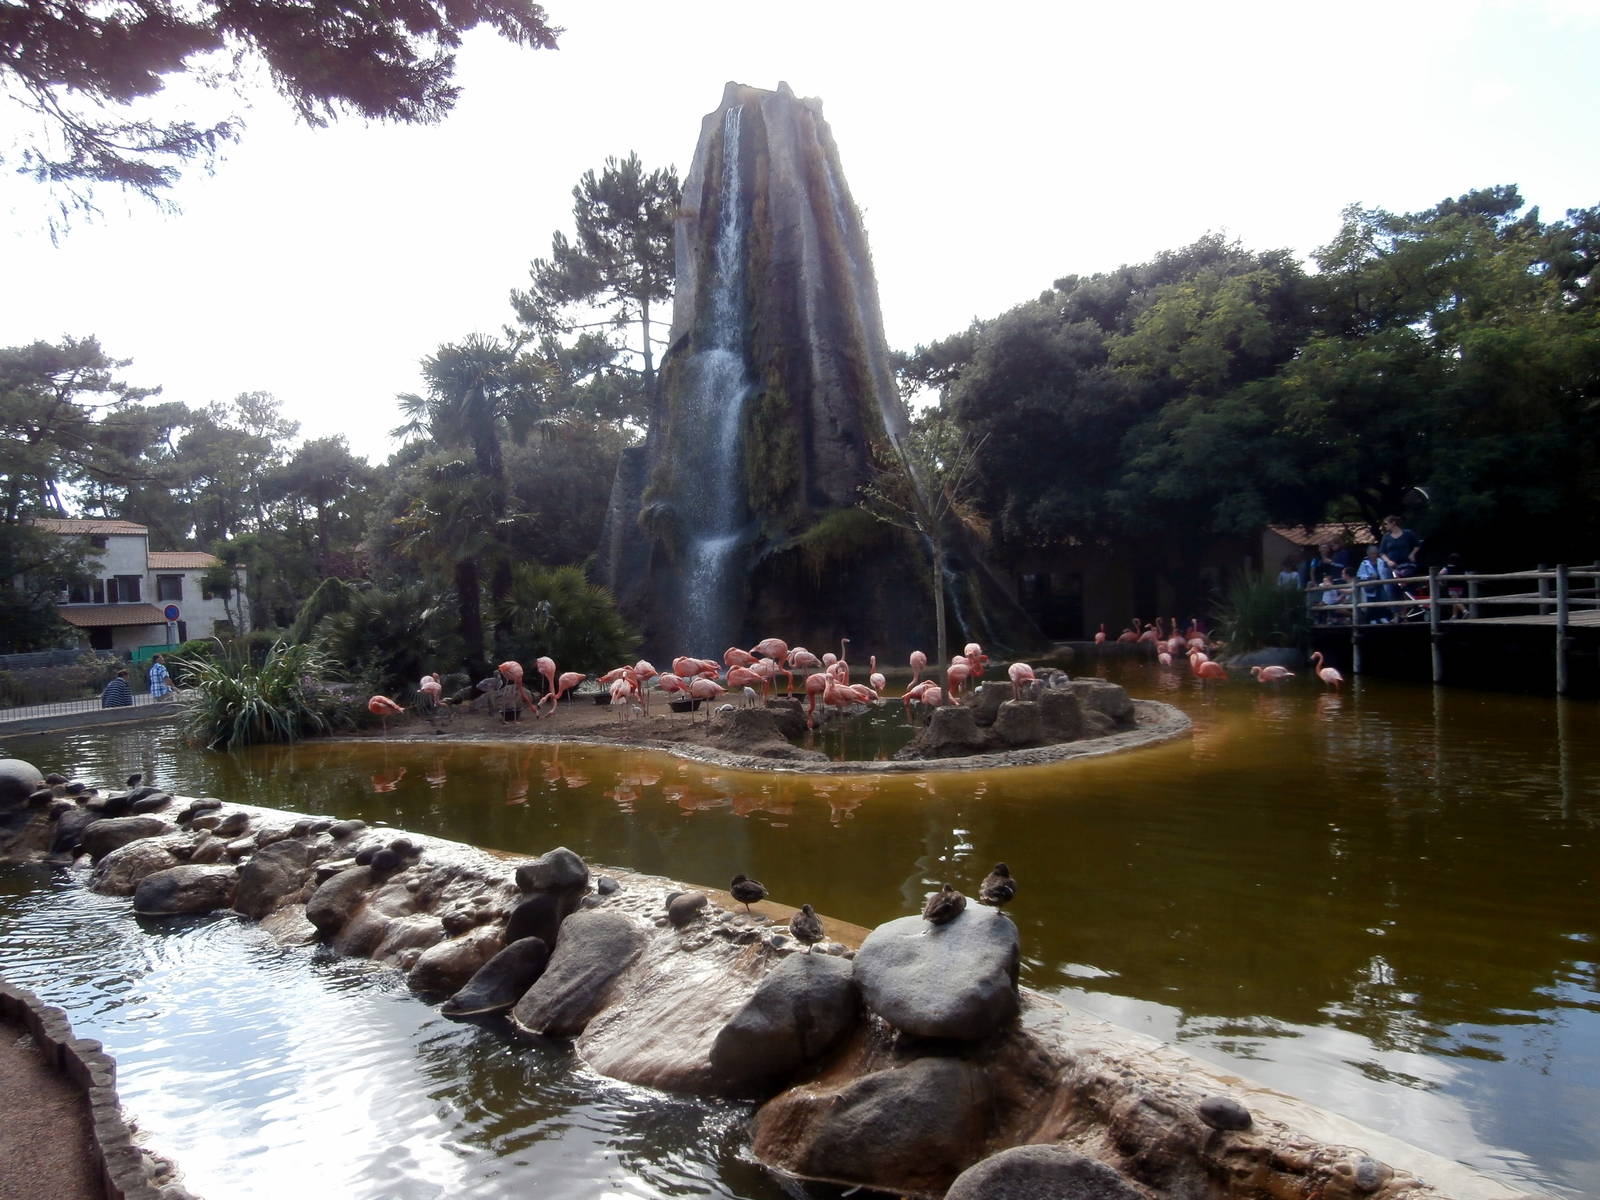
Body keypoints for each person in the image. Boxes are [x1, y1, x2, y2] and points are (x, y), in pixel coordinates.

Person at [1378, 514, 1422, 609]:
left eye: (1386, 524)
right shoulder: (1386, 537)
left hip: (1406, 565)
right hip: (1392, 567)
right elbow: (1381, 552)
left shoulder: (1407, 533)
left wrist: (1412, 554)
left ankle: (1408, 609)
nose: (1385, 526)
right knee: (1392, 589)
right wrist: (1388, 561)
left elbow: (1417, 544)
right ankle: (1397, 613)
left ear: (1393, 523)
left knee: (1407, 587)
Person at [1355, 546, 1387, 621]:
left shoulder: (1381, 562)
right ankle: (1373, 619)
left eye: (1375, 553)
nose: (1374, 555)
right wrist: (1369, 577)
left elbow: (1385, 573)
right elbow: (1360, 575)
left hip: (1381, 585)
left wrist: (1378, 576)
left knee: (1382, 601)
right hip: (1370, 587)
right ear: (1368, 554)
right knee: (1371, 603)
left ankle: (1383, 617)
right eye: (1372, 554)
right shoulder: (1364, 563)